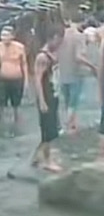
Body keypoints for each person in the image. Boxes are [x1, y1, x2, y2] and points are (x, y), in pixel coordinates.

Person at [58, 19, 98, 134]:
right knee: (73, 103)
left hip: (62, 73)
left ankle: (72, 124)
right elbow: (78, 57)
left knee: (67, 102)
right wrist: (93, 66)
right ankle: (67, 127)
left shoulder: (61, 35)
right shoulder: (79, 37)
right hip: (76, 73)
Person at [33, 31, 64, 172]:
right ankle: (47, 161)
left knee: (52, 129)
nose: (59, 44)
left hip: (53, 94)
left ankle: (36, 157)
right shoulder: (42, 57)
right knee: (48, 131)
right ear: (53, 38)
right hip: (46, 96)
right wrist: (42, 101)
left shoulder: (52, 54)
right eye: (58, 41)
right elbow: (37, 80)